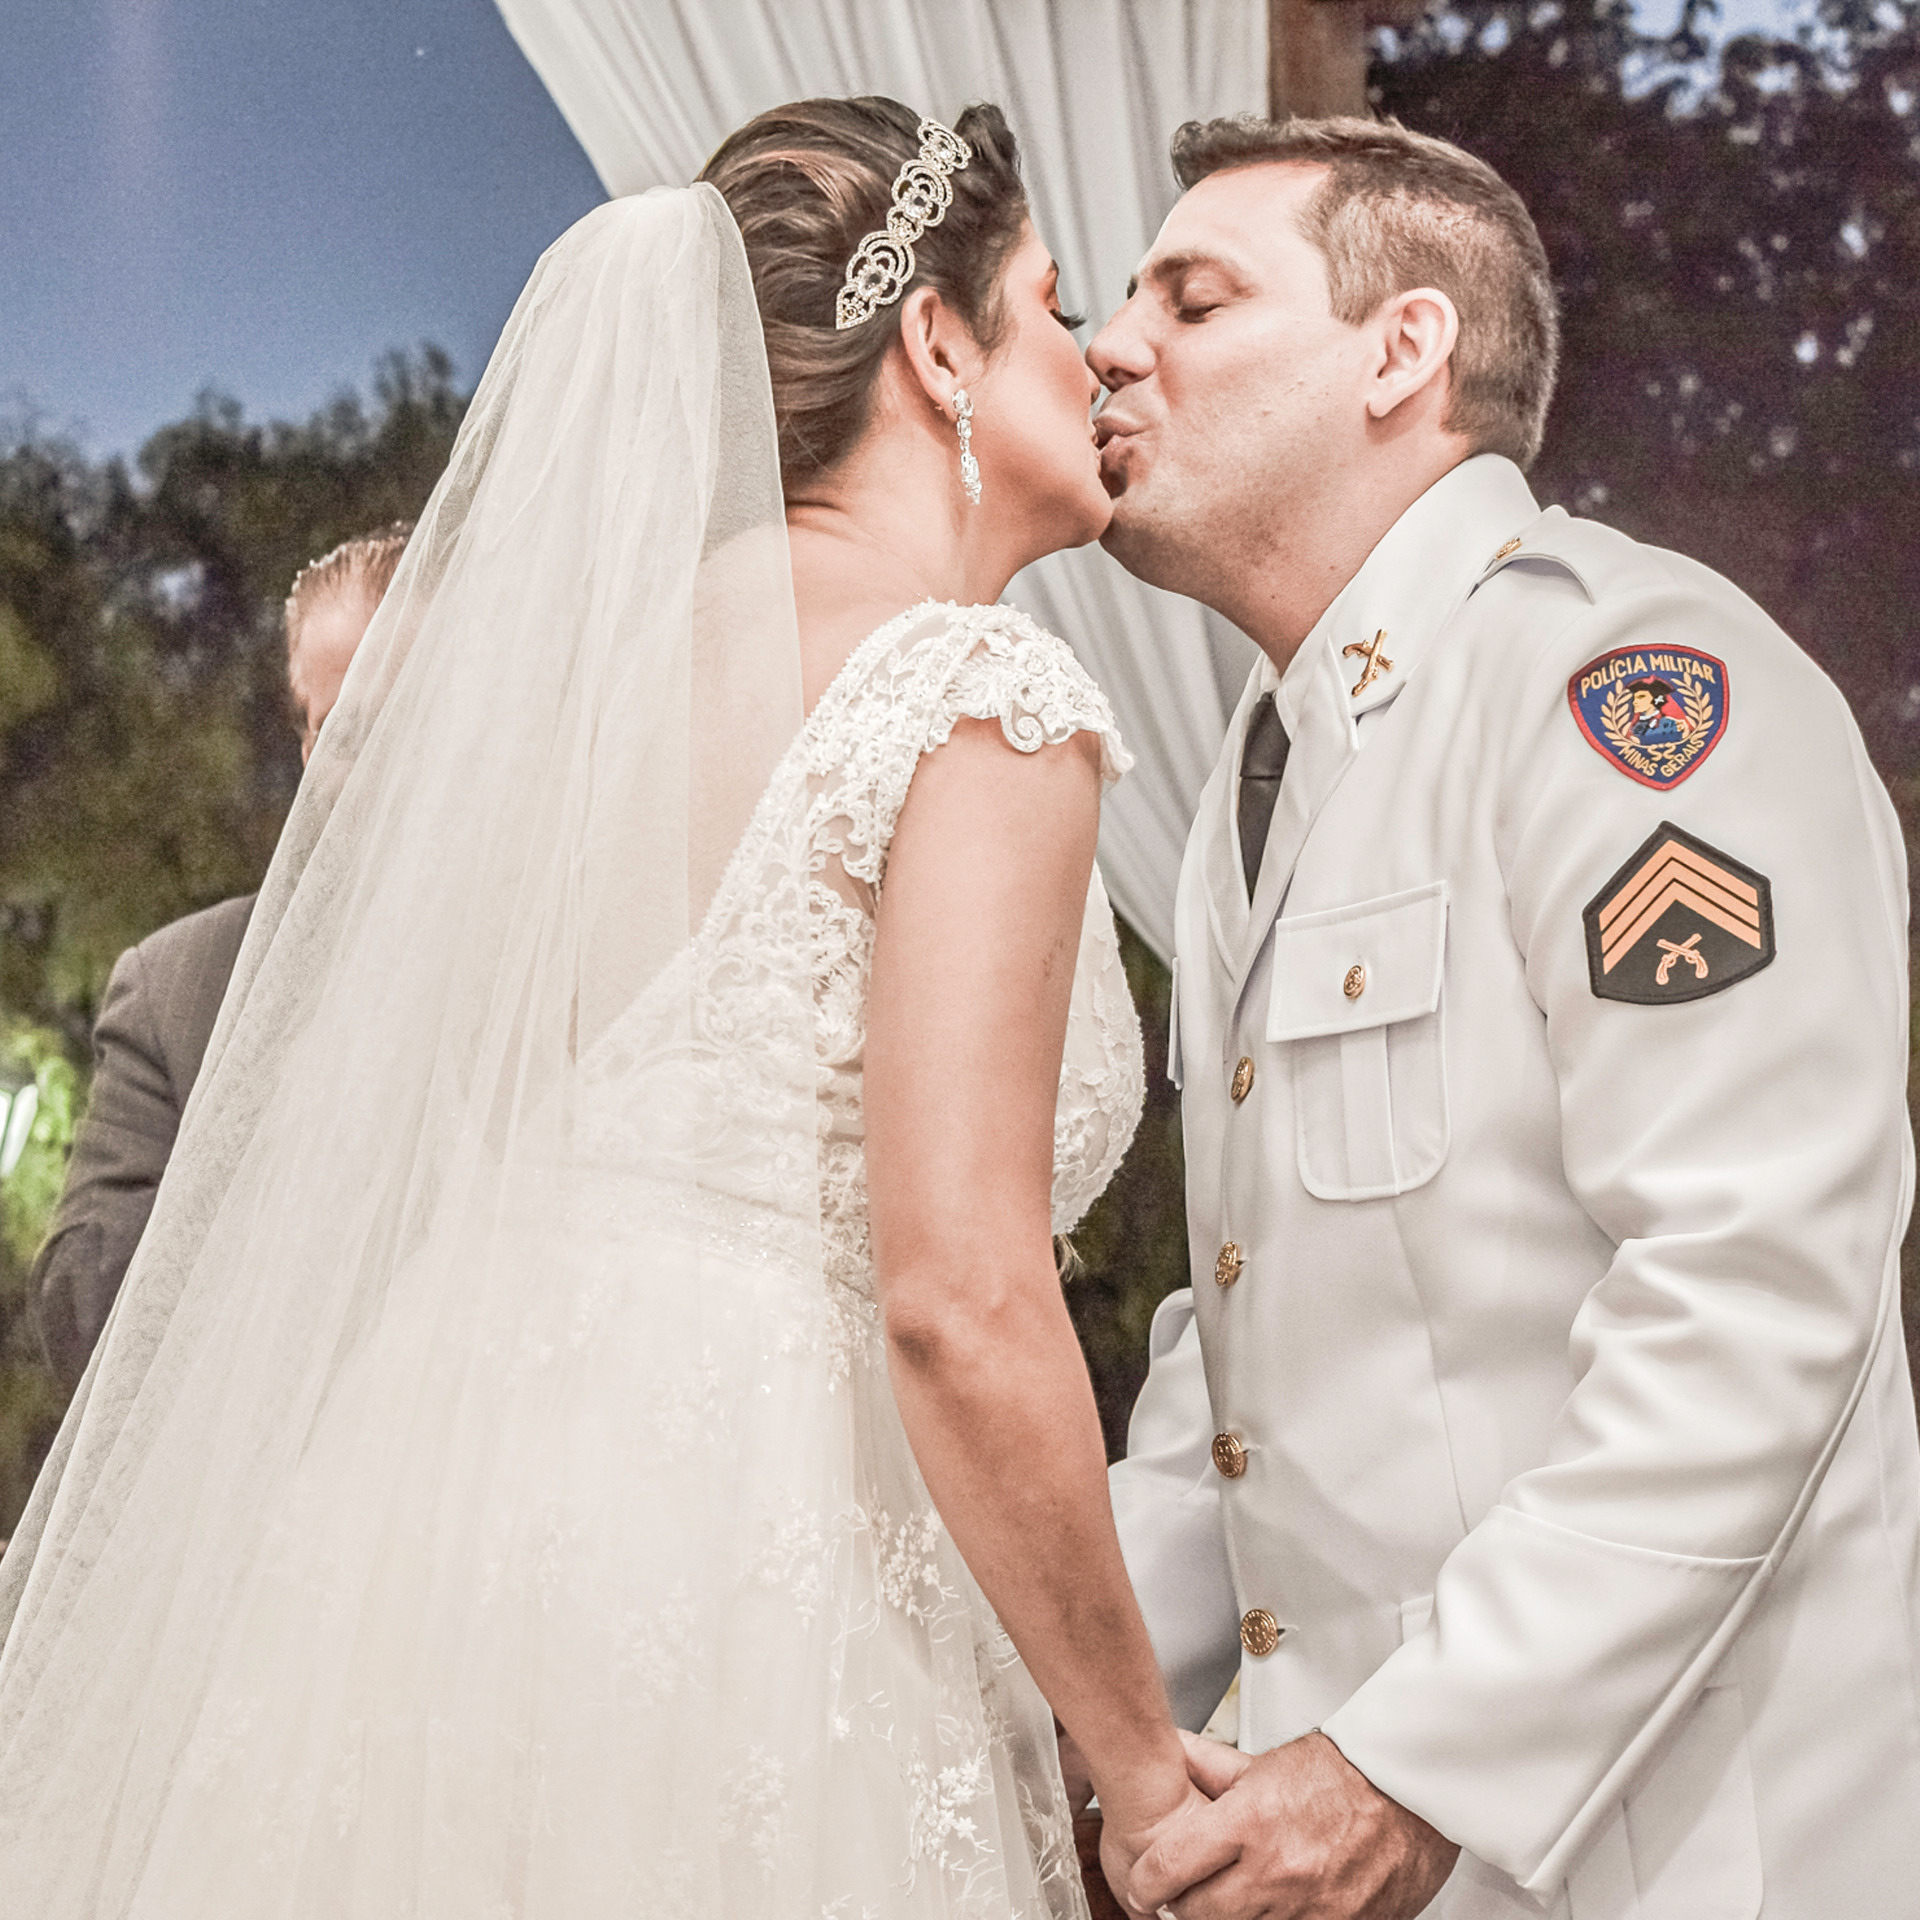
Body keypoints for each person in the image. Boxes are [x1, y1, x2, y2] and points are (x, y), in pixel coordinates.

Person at [0, 100, 1208, 1914]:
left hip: (424, 1518)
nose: (1095, 348)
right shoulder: (970, 691)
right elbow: (960, 1295)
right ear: (937, 341)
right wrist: (1142, 1768)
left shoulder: (571, 701)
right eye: (1052, 302)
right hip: (749, 1554)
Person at [1091, 115, 1920, 1918]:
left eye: (1196, 296)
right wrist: (1075, 1723)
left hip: (1668, 1850)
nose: (1109, 342)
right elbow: (1236, 1363)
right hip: (1337, 1835)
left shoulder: (1631, 693)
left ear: (1405, 353)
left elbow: (1758, 1279)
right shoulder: (1259, 766)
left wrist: (1417, 1759)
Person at [28, 525, 409, 1384]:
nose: (385, 759)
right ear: (306, 749)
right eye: (344, 730)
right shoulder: (177, 984)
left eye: (416, 713)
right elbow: (79, 1309)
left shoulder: (582, 968)